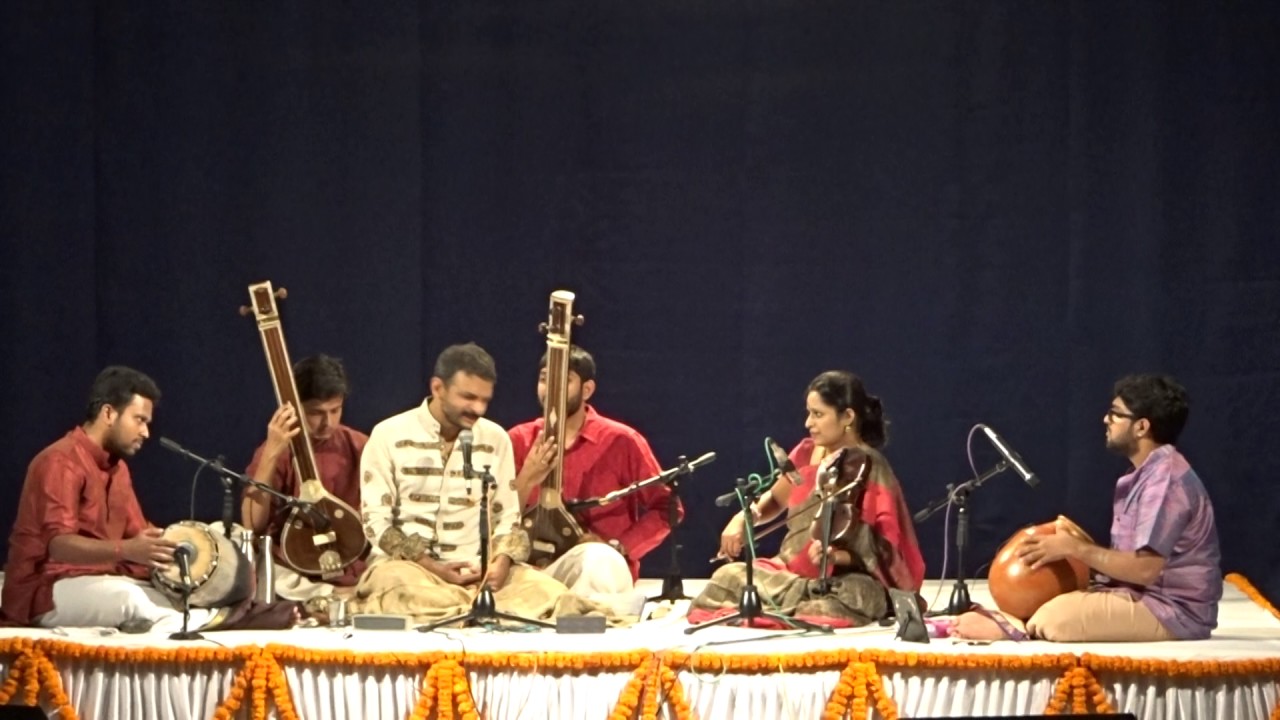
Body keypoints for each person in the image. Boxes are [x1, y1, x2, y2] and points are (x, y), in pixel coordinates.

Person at [0, 367, 290, 633]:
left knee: (171, 597)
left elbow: (139, 535)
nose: (146, 432)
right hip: (42, 591)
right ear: (109, 413)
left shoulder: (118, 469)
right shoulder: (60, 462)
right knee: (129, 600)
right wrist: (127, 549)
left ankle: (222, 614)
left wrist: (187, 552)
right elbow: (59, 545)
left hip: (95, 581)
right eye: (139, 420)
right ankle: (230, 621)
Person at [953, 374, 1222, 642]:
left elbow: (1144, 570)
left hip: (1172, 611)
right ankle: (1016, 620)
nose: (1106, 420)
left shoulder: (1165, 480)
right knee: (1048, 594)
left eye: (1115, 414)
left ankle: (1013, 629)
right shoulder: (1149, 473)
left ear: (1141, 427)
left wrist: (1075, 548)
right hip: (1142, 596)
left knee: (1056, 618)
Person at [354, 343, 592, 624]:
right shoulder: (387, 435)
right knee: (399, 589)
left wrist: (500, 563)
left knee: (553, 595)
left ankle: (472, 609)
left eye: (484, 400)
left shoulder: (495, 438)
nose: (477, 408)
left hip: (476, 571)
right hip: (408, 569)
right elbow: (375, 522)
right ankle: (476, 611)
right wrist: (434, 568)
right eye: (468, 397)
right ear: (437, 388)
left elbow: (508, 515)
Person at [692, 370, 925, 626]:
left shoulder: (871, 466)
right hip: (788, 574)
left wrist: (836, 557)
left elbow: (884, 549)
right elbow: (774, 500)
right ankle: (789, 606)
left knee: (850, 597)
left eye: (818, 414)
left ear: (847, 416)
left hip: (844, 578)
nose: (808, 423)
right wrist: (742, 518)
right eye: (809, 413)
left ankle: (788, 609)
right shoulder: (804, 453)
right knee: (726, 577)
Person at [509, 346, 680, 611]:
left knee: (597, 559)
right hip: (534, 573)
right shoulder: (518, 439)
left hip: (598, 572)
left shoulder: (621, 441)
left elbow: (667, 508)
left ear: (587, 389)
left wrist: (619, 546)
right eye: (544, 379)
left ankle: (584, 641)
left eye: (563, 381)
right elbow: (493, 515)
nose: (550, 389)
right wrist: (527, 479)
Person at [241, 355, 369, 610]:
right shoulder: (277, 450)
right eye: (315, 413)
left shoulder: (360, 446)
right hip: (294, 567)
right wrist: (271, 453)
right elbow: (252, 524)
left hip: (351, 559)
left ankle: (338, 594)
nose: (328, 422)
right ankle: (333, 595)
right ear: (294, 407)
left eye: (335, 410)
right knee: (241, 552)